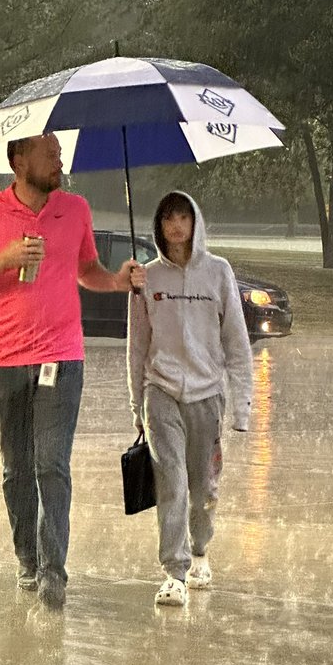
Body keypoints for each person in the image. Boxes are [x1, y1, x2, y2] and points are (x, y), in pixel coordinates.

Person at [0, 132, 145, 610]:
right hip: (7, 358)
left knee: (52, 466)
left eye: (60, 155)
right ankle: (29, 562)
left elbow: (87, 270)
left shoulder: (74, 209)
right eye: (50, 155)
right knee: (17, 470)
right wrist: (5, 259)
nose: (60, 162)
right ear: (20, 160)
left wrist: (116, 282)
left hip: (62, 355)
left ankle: (55, 573)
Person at [127, 190, 253, 607]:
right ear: (159, 227)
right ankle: (174, 572)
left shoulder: (218, 272)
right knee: (172, 482)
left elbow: (236, 340)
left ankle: (200, 550)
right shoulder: (147, 278)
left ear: (195, 223)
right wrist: (136, 404)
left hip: (206, 395)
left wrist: (242, 406)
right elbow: (137, 346)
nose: (176, 225)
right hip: (160, 392)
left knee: (203, 489)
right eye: (168, 219)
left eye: (183, 217)